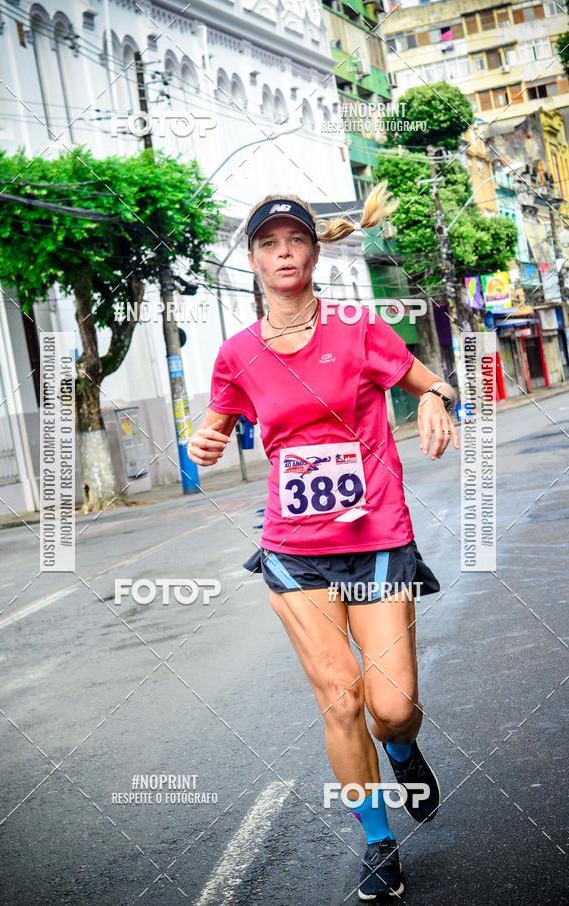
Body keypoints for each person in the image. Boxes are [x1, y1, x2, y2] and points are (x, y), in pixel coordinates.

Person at [187, 184, 459, 900]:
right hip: (292, 548)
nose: (284, 252)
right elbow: (213, 427)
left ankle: (402, 748)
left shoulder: (358, 327)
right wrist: (203, 441)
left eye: (296, 240)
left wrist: (434, 397)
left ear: (313, 251)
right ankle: (377, 842)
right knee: (340, 701)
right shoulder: (238, 354)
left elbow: (435, 382)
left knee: (389, 705)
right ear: (253, 259)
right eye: (269, 243)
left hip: (375, 538)